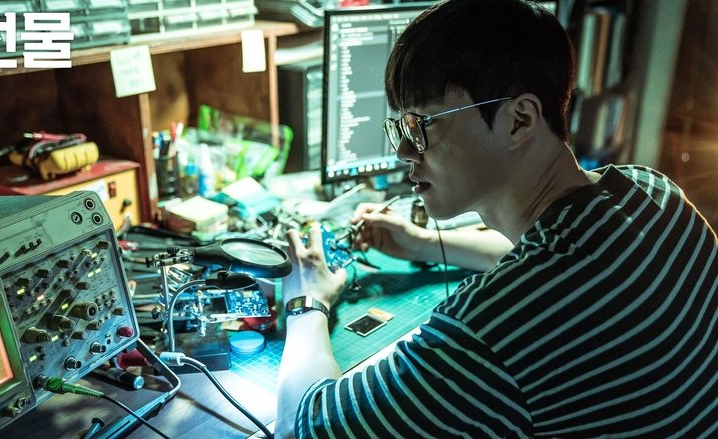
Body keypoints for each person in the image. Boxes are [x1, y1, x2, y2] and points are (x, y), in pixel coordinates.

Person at [276, 0, 718, 437]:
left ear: (519, 120)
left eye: (423, 125)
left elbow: (302, 426)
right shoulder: (655, 193)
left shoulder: (493, 331)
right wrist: (423, 243)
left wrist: (307, 300)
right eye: (401, 129)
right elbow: (561, 259)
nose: (404, 152)